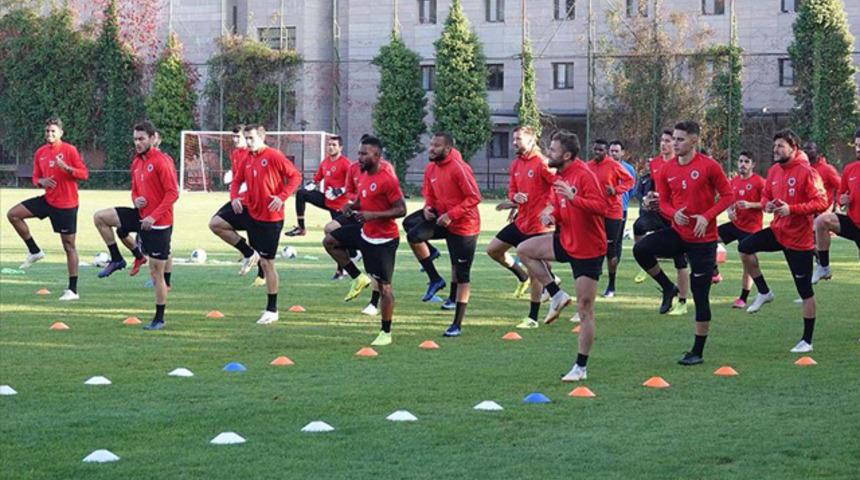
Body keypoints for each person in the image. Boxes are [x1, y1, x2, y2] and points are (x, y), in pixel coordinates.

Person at [632, 121, 733, 365]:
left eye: (680, 139)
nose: (674, 144)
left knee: (700, 295)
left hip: (704, 241)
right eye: (673, 139)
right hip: (678, 234)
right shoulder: (666, 169)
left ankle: (697, 351)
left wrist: (707, 216)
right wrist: (672, 212)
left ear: (694, 141)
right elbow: (664, 202)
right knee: (641, 248)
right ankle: (668, 288)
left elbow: (728, 195)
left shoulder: (709, 166)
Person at [515, 131, 606, 381]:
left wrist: (574, 197)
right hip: (566, 240)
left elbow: (602, 207)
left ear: (566, 155)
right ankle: (556, 294)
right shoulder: (559, 176)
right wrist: (551, 214)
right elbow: (558, 205)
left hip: (588, 248)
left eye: (552, 151)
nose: (548, 154)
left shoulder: (584, 174)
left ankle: (581, 368)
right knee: (524, 250)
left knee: (585, 309)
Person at [738, 129, 828, 353]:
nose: (776, 149)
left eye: (781, 146)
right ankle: (764, 292)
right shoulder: (774, 170)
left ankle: (807, 340)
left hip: (799, 240)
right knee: (744, 247)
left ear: (793, 148)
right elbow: (766, 195)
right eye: (775, 145)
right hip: (777, 231)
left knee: (805, 291)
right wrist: (767, 204)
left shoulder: (807, 172)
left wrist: (793, 209)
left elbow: (822, 202)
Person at [92, 121, 178, 330]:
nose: (137, 143)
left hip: (159, 224)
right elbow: (134, 190)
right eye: (135, 139)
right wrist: (136, 199)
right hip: (140, 216)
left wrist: (153, 217)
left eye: (141, 139)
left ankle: (159, 319)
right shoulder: (136, 162)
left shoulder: (162, 161)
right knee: (100, 218)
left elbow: (172, 193)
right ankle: (117, 258)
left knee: (156, 274)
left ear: (152, 138)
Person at [323, 136, 406, 346]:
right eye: (359, 153)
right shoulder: (364, 175)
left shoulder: (387, 178)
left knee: (385, 288)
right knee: (330, 241)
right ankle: (357, 277)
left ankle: (386, 332)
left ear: (377, 156)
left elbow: (401, 209)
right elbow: (363, 198)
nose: (359, 157)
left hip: (385, 240)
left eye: (364, 153)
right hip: (365, 235)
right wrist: (353, 207)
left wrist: (372, 215)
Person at [403, 132, 481, 337]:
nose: (431, 148)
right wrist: (428, 206)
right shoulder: (431, 168)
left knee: (461, 273)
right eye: (431, 144)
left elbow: (474, 197)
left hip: (464, 225)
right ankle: (435, 278)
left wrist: (451, 214)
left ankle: (456, 324)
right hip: (441, 218)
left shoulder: (459, 168)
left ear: (447, 149)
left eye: (436, 146)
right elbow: (428, 191)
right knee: (413, 232)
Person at [6, 117, 88, 301]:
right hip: (47, 201)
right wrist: (40, 181)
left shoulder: (69, 150)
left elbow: (84, 174)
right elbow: (36, 177)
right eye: (47, 131)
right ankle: (34, 251)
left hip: (66, 205)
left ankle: (72, 290)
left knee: (68, 246)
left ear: (61, 133)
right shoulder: (40, 153)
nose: (49, 134)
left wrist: (67, 168)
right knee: (13, 214)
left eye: (53, 131)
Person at [229, 124, 302, 325]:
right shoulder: (246, 158)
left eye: (251, 138)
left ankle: (272, 309)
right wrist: (234, 197)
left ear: (262, 137)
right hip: (252, 214)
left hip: (271, 218)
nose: (248, 142)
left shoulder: (274, 156)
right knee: (216, 223)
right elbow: (236, 181)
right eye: (246, 138)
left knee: (268, 263)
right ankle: (247, 252)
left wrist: (281, 196)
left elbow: (296, 176)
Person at [485, 126, 556, 328]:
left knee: (536, 270)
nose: (513, 142)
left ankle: (532, 318)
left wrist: (549, 209)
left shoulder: (542, 163)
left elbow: (557, 185)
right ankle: (524, 276)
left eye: (518, 139)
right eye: (514, 139)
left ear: (532, 141)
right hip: (521, 221)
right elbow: (513, 191)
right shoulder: (516, 164)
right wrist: (514, 199)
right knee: (493, 250)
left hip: (538, 226)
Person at [631, 129, 691, 315]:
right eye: (662, 140)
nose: (665, 144)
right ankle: (650, 266)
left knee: (680, 261)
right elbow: (656, 190)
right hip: (661, 213)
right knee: (638, 226)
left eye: (669, 140)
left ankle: (682, 301)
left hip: (677, 217)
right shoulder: (656, 163)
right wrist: (649, 199)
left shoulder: (681, 163)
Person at [208, 124, 265, 284]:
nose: (235, 140)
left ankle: (262, 275)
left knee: (256, 238)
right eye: (234, 137)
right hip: (240, 200)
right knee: (216, 223)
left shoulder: (254, 154)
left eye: (238, 137)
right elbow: (238, 177)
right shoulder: (235, 154)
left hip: (255, 202)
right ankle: (247, 252)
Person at [712, 152, 766, 308]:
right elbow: (728, 198)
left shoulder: (759, 182)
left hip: (751, 229)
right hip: (735, 225)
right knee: (707, 237)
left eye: (746, 161)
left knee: (747, 261)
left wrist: (751, 205)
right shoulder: (733, 181)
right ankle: (714, 272)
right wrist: (730, 211)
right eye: (741, 161)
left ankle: (743, 298)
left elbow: (766, 203)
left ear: (753, 164)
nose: (742, 164)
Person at [812, 128, 860, 282]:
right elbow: (840, 193)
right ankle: (823, 267)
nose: (858, 149)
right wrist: (842, 199)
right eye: (857, 145)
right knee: (821, 221)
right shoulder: (850, 169)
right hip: (853, 223)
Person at [590, 139, 634, 297]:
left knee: (611, 249)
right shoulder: (588, 166)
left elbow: (630, 181)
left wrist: (615, 190)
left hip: (612, 212)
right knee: (593, 247)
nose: (597, 152)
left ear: (606, 151)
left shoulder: (614, 166)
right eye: (595, 149)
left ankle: (611, 285)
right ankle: (592, 281)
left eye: (600, 150)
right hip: (594, 212)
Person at [285, 135, 352, 236]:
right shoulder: (325, 162)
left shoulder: (346, 164)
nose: (331, 147)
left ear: (340, 148)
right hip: (326, 200)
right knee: (301, 193)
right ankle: (301, 228)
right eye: (329, 144)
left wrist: (340, 190)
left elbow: (354, 184)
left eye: (334, 145)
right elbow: (317, 179)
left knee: (339, 236)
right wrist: (311, 184)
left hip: (339, 206)